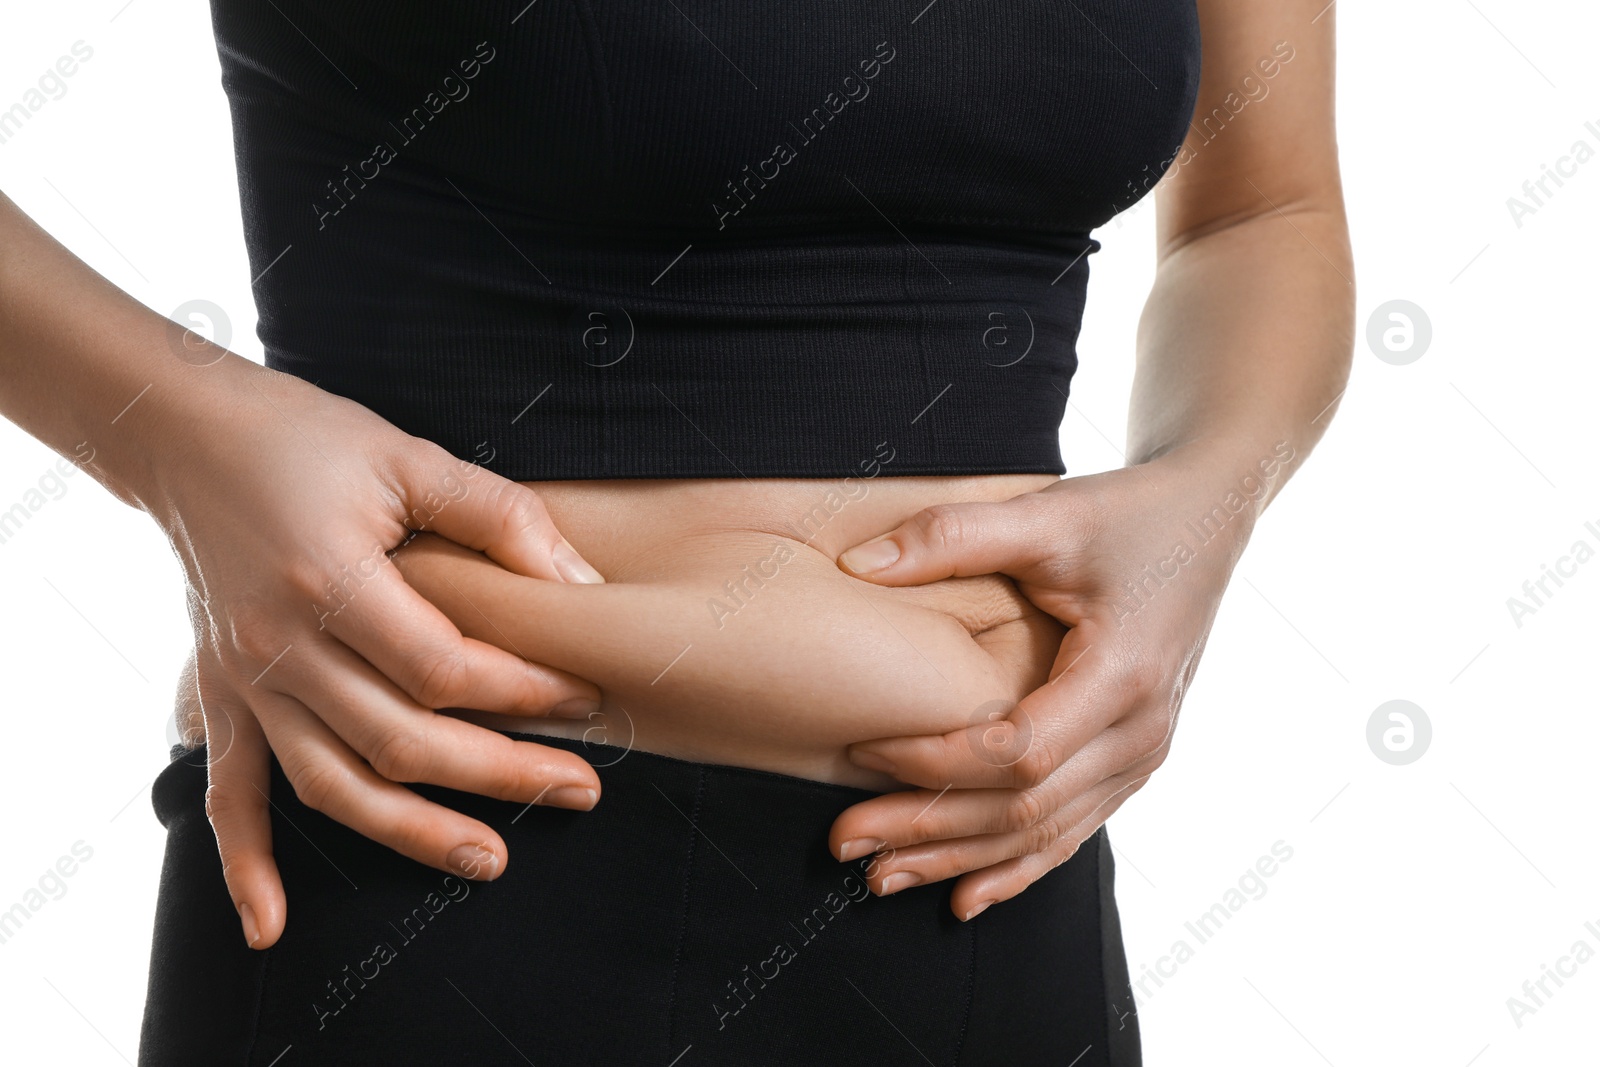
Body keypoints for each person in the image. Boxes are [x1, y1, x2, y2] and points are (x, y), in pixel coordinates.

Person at [0, 0, 1352, 1062]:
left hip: (990, 898)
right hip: (434, 865)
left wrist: (1209, 496)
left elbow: (1262, 207)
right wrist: (178, 436)